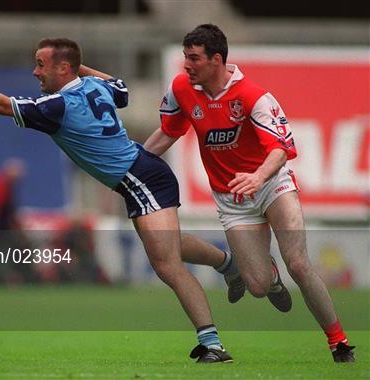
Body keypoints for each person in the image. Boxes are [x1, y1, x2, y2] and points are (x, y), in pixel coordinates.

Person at [0, 38, 232, 363]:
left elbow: (3, 105)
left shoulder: (57, 107)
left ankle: (212, 344)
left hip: (139, 178)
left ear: (63, 68)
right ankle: (229, 264)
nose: (35, 72)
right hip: (143, 172)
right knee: (168, 248)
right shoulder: (94, 85)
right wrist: (79, 68)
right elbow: (122, 89)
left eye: (41, 65)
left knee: (166, 265)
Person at [144, 24, 355, 363]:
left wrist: (258, 177)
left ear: (216, 59)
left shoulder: (253, 96)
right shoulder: (182, 89)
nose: (187, 65)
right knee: (256, 286)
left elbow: (281, 149)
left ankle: (339, 343)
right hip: (232, 200)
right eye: (185, 57)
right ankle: (271, 278)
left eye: (194, 58)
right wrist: (133, 163)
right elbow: (170, 131)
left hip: (272, 185)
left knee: (299, 264)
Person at [0, 159, 37, 284]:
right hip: (0, 227)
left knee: (5, 253)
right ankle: (2, 279)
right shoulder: (1, 185)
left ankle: (4, 278)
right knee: (4, 253)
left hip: (0, 226)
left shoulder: (1, 184)